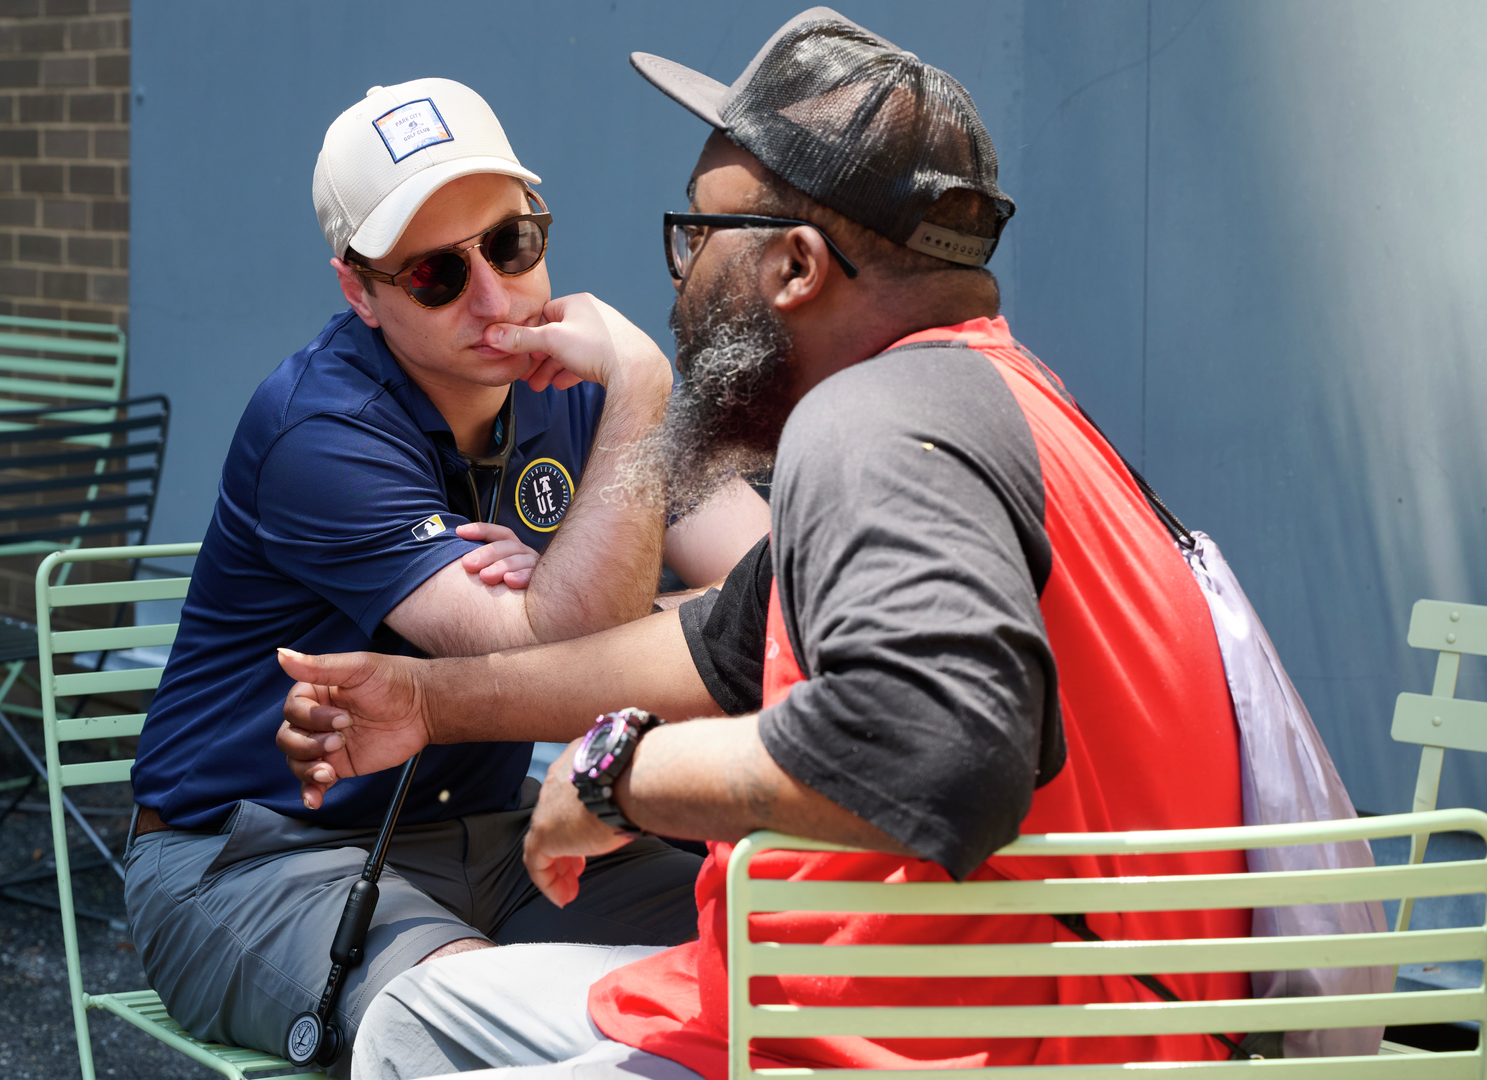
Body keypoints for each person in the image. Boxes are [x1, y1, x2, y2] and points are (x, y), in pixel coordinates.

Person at [276, 11, 1250, 1077]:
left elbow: (939, 753)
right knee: (426, 1013)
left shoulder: (873, 427)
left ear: (793, 265)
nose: (680, 279)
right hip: (1066, 1013)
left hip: (946, 1038)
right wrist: (427, 704)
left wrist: (617, 772)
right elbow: (717, 646)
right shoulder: (1004, 405)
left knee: (414, 1032)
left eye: (698, 239)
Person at [125, 77, 769, 1070]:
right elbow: (556, 664)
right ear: (359, 290)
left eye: (511, 243)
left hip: (499, 835)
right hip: (255, 857)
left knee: (771, 956)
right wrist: (646, 386)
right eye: (434, 273)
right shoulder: (320, 427)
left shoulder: (575, 386)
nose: (495, 294)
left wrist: (596, 583)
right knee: (460, 1031)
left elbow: (783, 596)